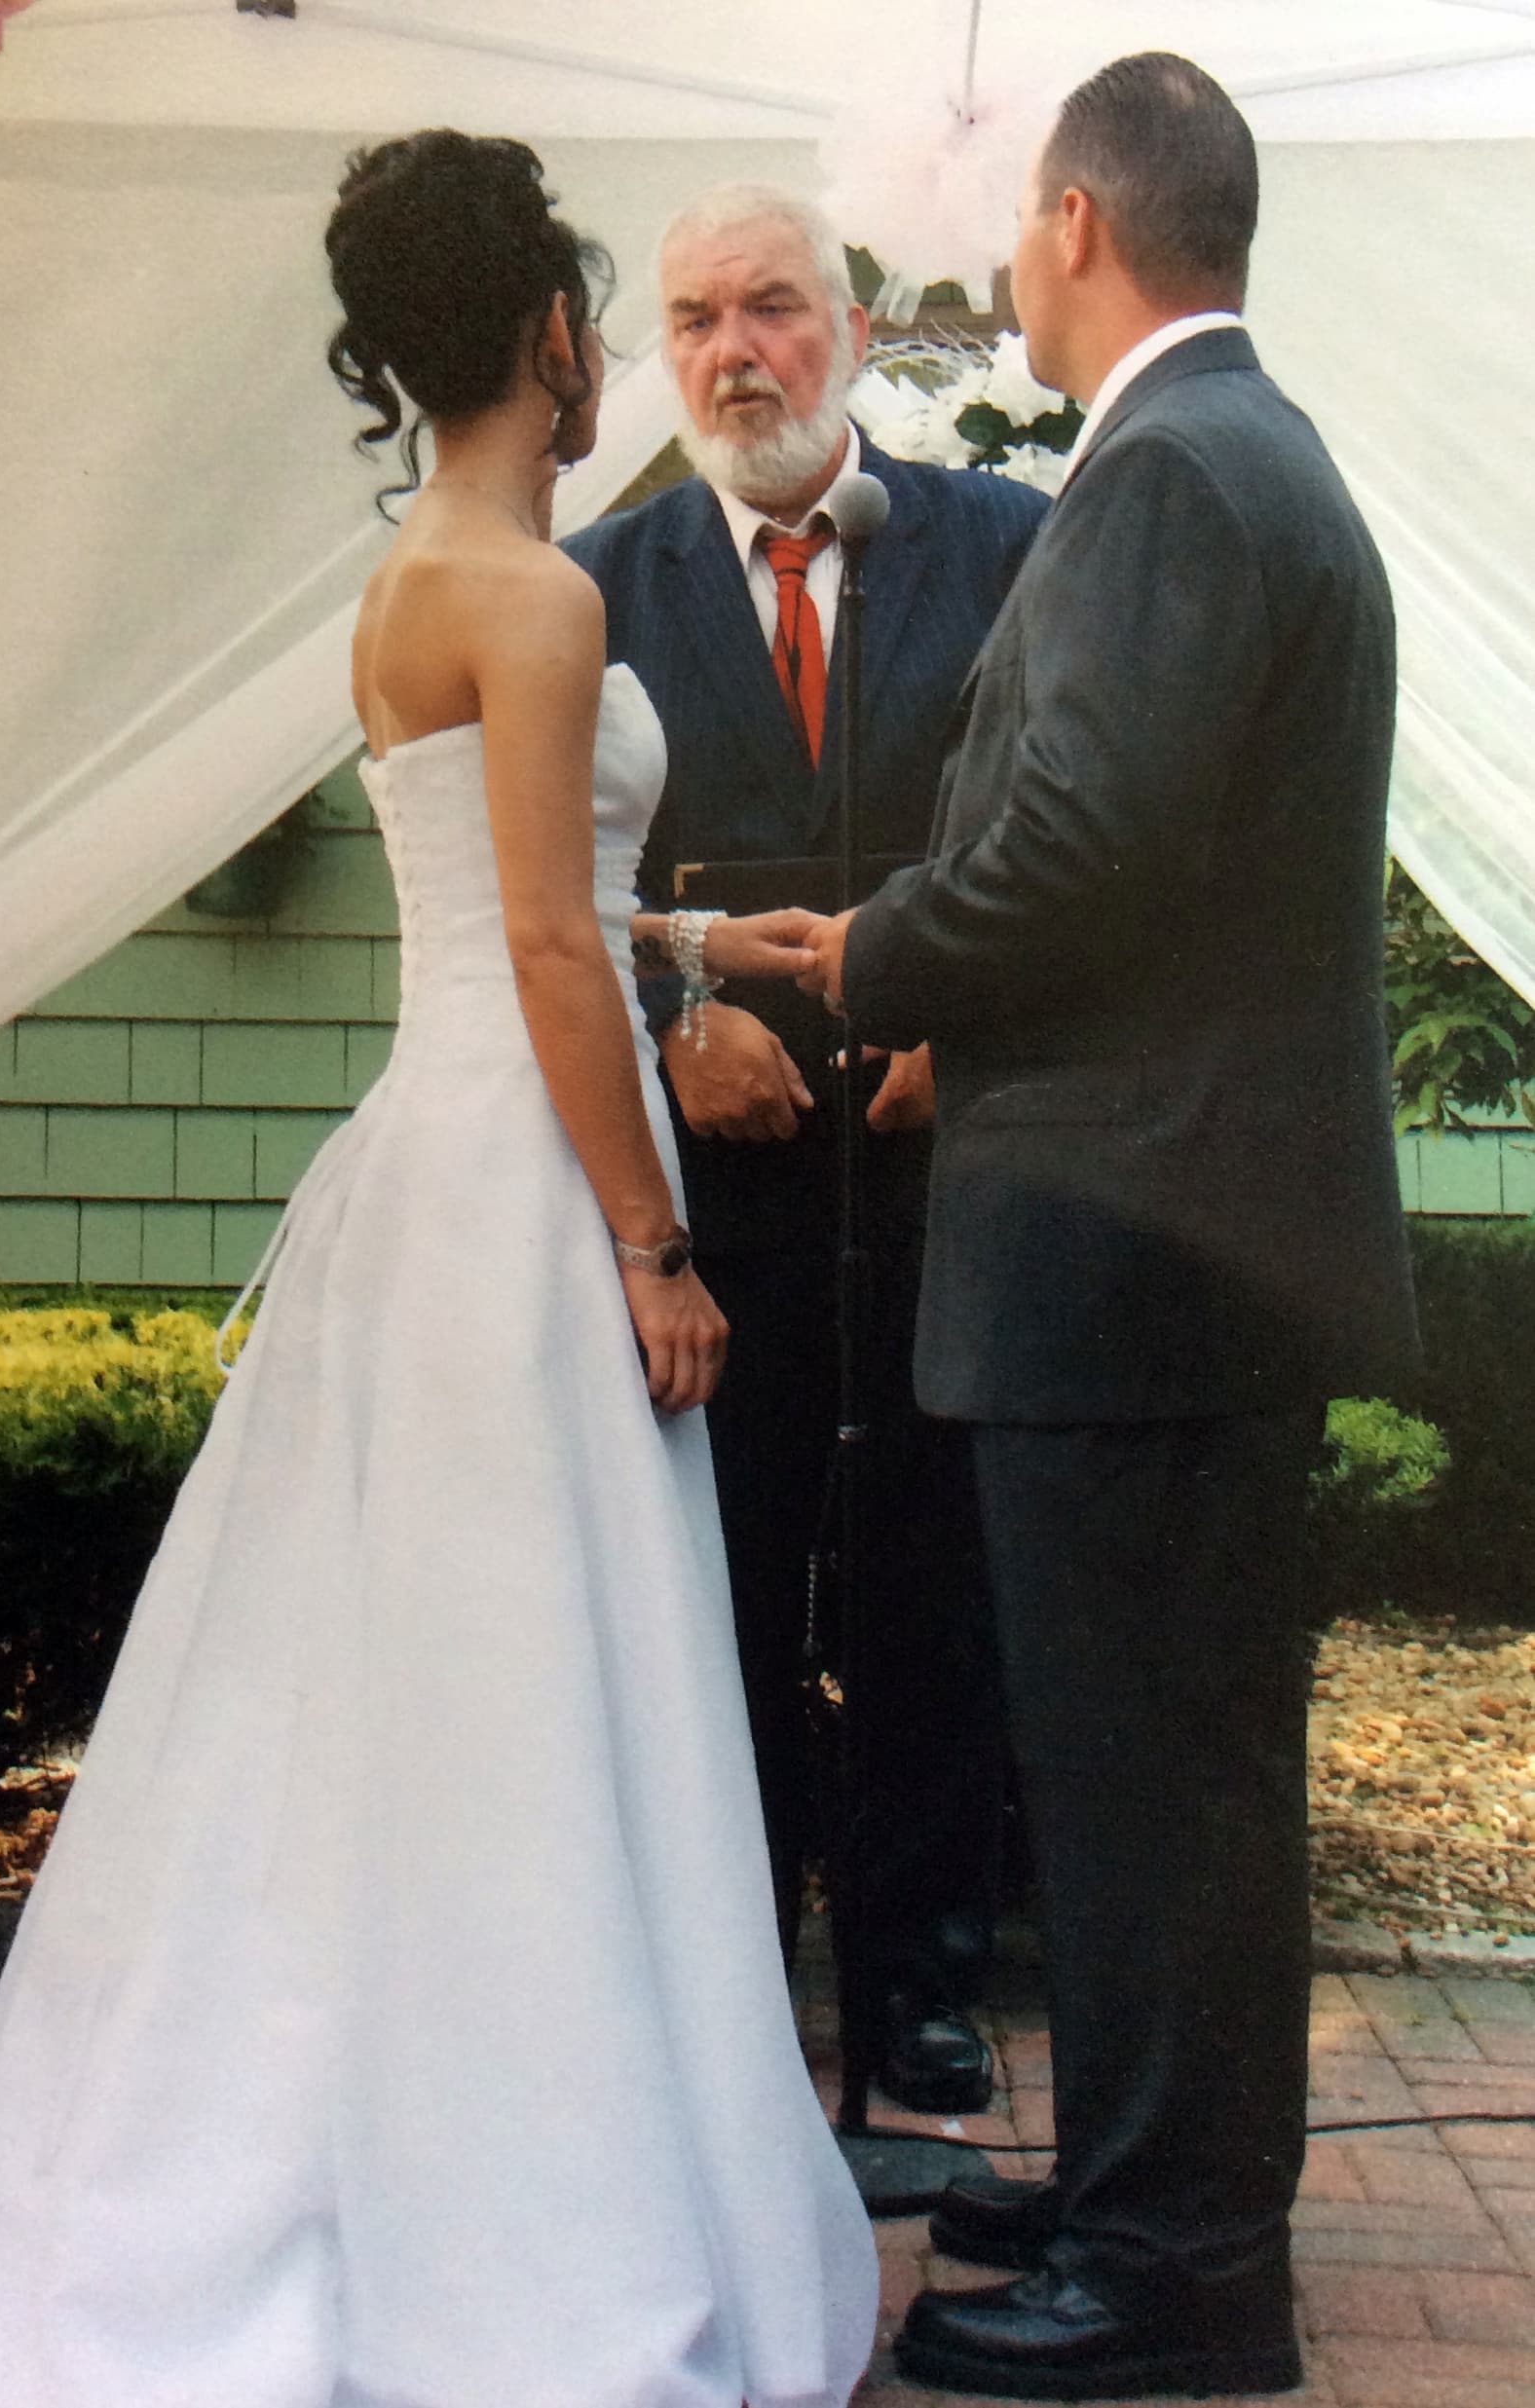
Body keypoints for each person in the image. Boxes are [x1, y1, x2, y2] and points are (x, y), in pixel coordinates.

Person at [0, 131, 878, 2408]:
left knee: (409, 1689)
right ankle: (533, 2207)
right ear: (558, 335)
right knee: (543, 1696)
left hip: (425, 1160)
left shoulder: (416, 579)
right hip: (534, 1187)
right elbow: (542, 940)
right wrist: (651, 1242)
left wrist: (694, 928)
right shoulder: (544, 596)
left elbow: (512, 891)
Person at [801, 53, 1418, 2404]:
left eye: (1007, 228)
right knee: (1176, 1781)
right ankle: (1169, 2188)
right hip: (1188, 1255)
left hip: (1144, 1267)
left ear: (1076, 221)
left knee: (1154, 1794)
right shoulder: (1237, 455)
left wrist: (869, 957)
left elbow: (1075, 850)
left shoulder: (1169, 474)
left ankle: (1175, 2273)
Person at [565, 186, 1048, 2114]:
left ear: (850, 326)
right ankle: (737, 1965)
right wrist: (676, 1035)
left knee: (939, 1587)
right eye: (693, 319)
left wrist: (975, 1012)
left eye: (771, 308)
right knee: (730, 1588)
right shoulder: (594, 584)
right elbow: (540, 903)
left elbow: (1068, 827)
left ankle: (925, 1977)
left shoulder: (1010, 547)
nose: (733, 351)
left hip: (949, 1183)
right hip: (719, 1206)